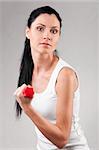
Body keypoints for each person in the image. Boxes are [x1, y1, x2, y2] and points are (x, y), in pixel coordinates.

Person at [14, 6, 90, 150]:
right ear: (28, 32)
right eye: (40, 28)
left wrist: (27, 108)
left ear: (59, 36)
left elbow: (62, 139)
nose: (47, 35)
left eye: (53, 31)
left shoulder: (64, 75)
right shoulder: (28, 69)